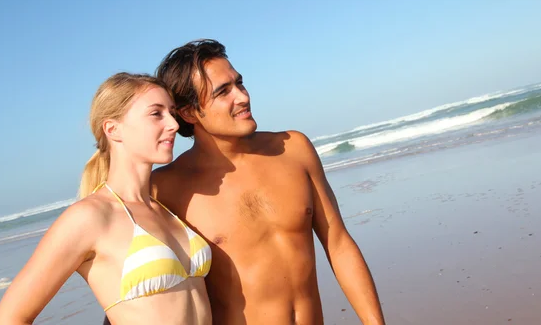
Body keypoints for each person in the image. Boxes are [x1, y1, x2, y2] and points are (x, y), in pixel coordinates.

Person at [151, 39, 386, 324]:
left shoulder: (293, 149)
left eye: (240, 83)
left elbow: (338, 244)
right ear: (189, 112)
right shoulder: (166, 188)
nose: (242, 97)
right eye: (223, 92)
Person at [0, 73, 212, 325]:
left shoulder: (165, 208)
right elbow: (8, 319)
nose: (173, 124)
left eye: (171, 113)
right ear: (113, 129)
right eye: (156, 113)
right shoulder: (89, 217)